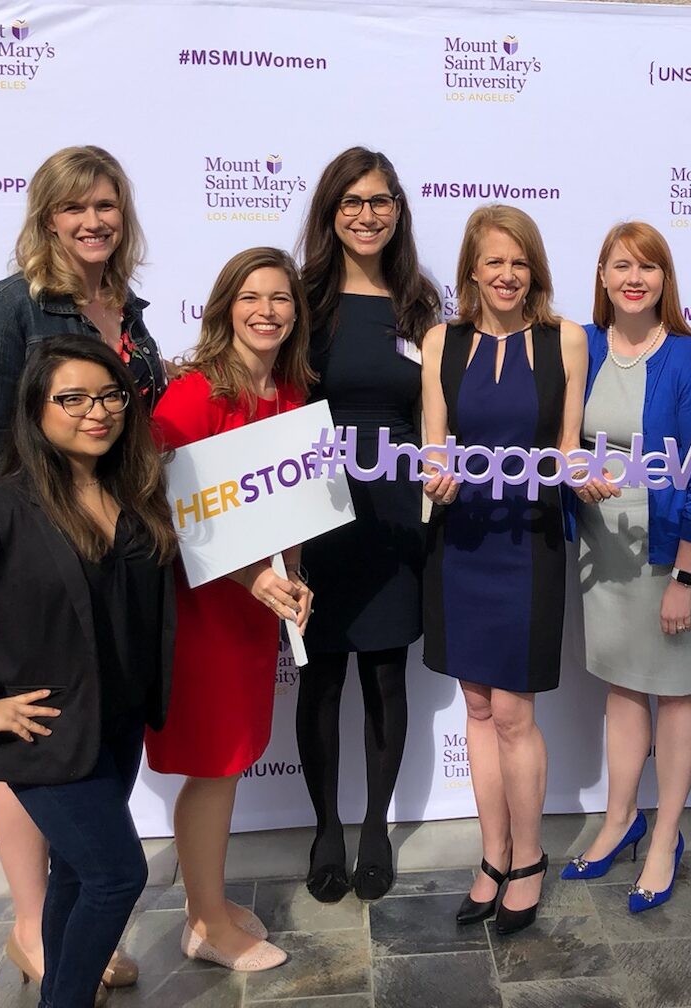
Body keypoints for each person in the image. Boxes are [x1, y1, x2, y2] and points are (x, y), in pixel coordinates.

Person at [0, 336, 177, 1008]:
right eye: (72, 398)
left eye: (110, 395)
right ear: (37, 410)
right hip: (44, 732)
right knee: (116, 875)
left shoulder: (136, 492)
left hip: (116, 723)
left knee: (80, 874)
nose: (97, 411)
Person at [0, 145, 167, 989]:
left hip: (116, 552)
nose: (93, 221)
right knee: (37, 736)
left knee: (97, 744)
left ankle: (69, 934)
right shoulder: (8, 309)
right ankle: (36, 933)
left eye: (107, 205)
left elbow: (133, 429)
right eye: (74, 208)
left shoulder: (126, 311)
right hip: (33, 563)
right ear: (45, 219)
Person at [146, 247, 316, 971]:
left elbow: (293, 512)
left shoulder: (292, 395)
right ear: (225, 306)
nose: (267, 311)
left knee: (230, 761)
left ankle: (204, 905)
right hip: (202, 612)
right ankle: (208, 924)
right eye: (252, 296)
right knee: (214, 764)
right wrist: (253, 581)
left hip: (254, 611)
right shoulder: (191, 395)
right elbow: (165, 512)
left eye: (281, 298)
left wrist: (295, 580)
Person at [420, 205, 587, 935]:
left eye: (519, 262)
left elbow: (569, 444)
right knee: (478, 709)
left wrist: (583, 473)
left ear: (535, 269)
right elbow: (434, 445)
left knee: (515, 713)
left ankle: (529, 859)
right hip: (461, 543)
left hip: (529, 540)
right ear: (472, 270)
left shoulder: (567, 340)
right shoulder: (440, 341)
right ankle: (491, 858)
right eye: (494, 261)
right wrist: (434, 476)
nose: (507, 275)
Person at [562, 223, 691, 912]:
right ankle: (619, 819)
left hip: (671, 552)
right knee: (623, 691)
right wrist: (571, 470)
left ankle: (664, 838)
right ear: (601, 275)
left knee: (677, 693)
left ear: (666, 280)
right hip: (602, 553)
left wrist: (685, 579)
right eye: (623, 265)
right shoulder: (584, 345)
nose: (636, 277)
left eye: (650, 266)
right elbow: (559, 442)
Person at [293, 148, 441, 903]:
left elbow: (438, 412)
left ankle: (376, 826)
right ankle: (325, 827)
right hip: (312, 506)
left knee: (385, 673)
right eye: (351, 201)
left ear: (398, 210)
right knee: (319, 677)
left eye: (380, 200)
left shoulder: (420, 303)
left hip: (394, 511)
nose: (367, 214)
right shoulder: (301, 299)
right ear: (330, 212)